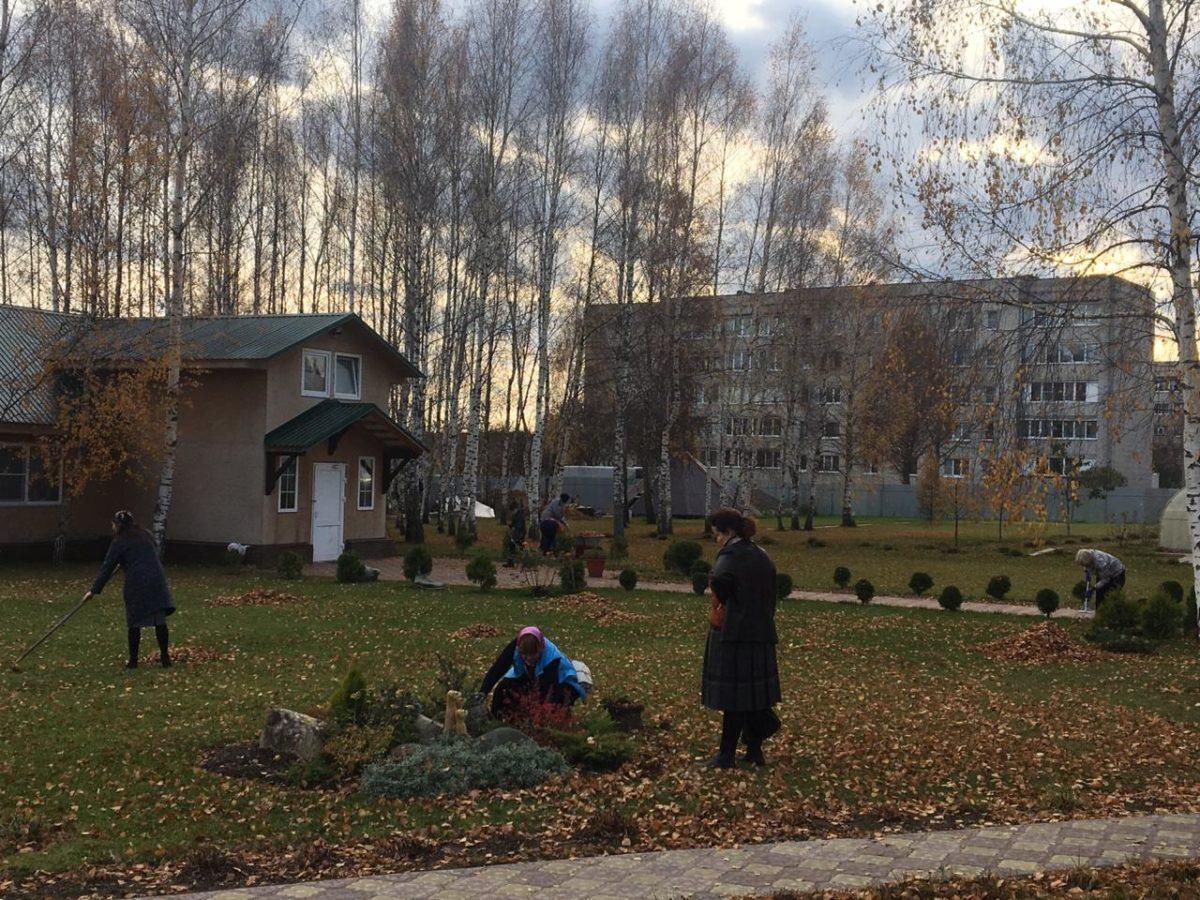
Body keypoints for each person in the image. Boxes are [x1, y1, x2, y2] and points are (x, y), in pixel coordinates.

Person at [701, 507, 781, 769]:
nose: (716, 539)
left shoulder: (730, 556)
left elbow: (719, 581)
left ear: (728, 532)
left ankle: (726, 756)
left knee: (735, 697)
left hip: (735, 634)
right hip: (762, 632)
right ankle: (755, 752)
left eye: (717, 534)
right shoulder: (761, 554)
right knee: (753, 696)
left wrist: (723, 600)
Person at [84, 510, 176, 669]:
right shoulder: (145, 534)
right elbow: (146, 552)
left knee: (134, 621)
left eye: (114, 524)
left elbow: (107, 567)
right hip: (157, 579)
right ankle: (165, 658)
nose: (112, 527)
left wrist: (93, 590)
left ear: (118, 525)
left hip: (137, 582)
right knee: (159, 620)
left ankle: (133, 661)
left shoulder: (119, 542)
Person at [479, 626, 586, 718]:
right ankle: (496, 721)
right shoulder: (515, 647)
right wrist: (483, 691)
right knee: (503, 688)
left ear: (541, 648)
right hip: (531, 675)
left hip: (560, 681)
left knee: (554, 702)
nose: (529, 658)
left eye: (533, 654)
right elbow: (497, 669)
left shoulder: (552, 660)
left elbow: (548, 691)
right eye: (524, 654)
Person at [504, 497, 527, 567]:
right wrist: (510, 526)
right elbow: (514, 523)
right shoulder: (518, 514)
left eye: (512, 511)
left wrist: (515, 536)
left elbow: (518, 526)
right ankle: (524, 562)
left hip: (519, 533)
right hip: (521, 532)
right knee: (520, 547)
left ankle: (512, 562)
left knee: (513, 546)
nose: (512, 513)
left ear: (514, 509)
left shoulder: (519, 515)